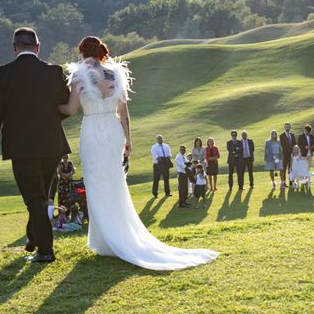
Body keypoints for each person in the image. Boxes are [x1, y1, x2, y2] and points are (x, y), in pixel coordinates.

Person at [59, 36, 218, 270]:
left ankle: (107, 241)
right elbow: (124, 114)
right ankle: (112, 237)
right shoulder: (115, 74)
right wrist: (128, 141)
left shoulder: (79, 75)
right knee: (115, 183)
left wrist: (51, 106)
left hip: (92, 130)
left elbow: (71, 109)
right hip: (113, 131)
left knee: (95, 184)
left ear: (82, 53)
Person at [0, 27, 71, 263]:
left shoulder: (3, 74)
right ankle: (33, 235)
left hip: (21, 147)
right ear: (38, 47)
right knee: (39, 196)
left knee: (35, 199)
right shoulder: (54, 71)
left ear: (14, 47)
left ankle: (46, 251)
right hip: (52, 145)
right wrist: (48, 119)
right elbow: (65, 105)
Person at [280, 123, 297, 187]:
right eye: (286, 127)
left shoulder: (292, 135)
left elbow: (295, 144)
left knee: (291, 169)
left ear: (290, 127)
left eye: (288, 127)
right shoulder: (281, 136)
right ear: (284, 128)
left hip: (292, 155)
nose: (287, 128)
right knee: (284, 169)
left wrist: (294, 152)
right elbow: (282, 146)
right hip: (285, 155)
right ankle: (283, 182)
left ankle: (291, 181)